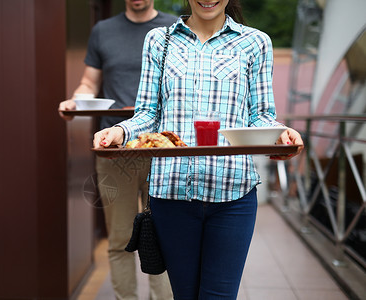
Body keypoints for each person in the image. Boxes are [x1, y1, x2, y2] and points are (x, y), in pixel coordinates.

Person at [92, 0, 304, 299]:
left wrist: (281, 133)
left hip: (233, 195)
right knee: (185, 294)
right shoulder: (159, 40)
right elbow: (148, 114)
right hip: (172, 194)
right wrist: (119, 131)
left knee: (218, 295)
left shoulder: (255, 42)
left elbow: (261, 115)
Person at [58, 1, 176, 299]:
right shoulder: (103, 31)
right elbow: (89, 82)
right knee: (119, 238)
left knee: (164, 236)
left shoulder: (174, 28)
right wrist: (76, 100)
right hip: (114, 150)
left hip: (160, 150)